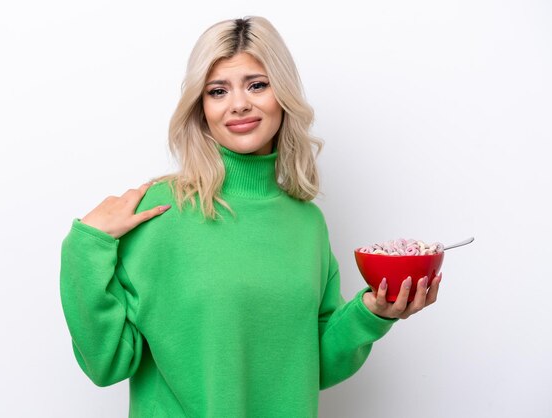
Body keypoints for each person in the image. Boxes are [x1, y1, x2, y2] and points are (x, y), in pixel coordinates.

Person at [59, 16, 441, 417]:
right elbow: (106, 364)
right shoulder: (160, 211)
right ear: (201, 107)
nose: (239, 103)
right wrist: (86, 245)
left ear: (283, 94)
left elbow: (307, 366)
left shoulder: (306, 222)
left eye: (257, 84)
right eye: (217, 91)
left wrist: (371, 314)